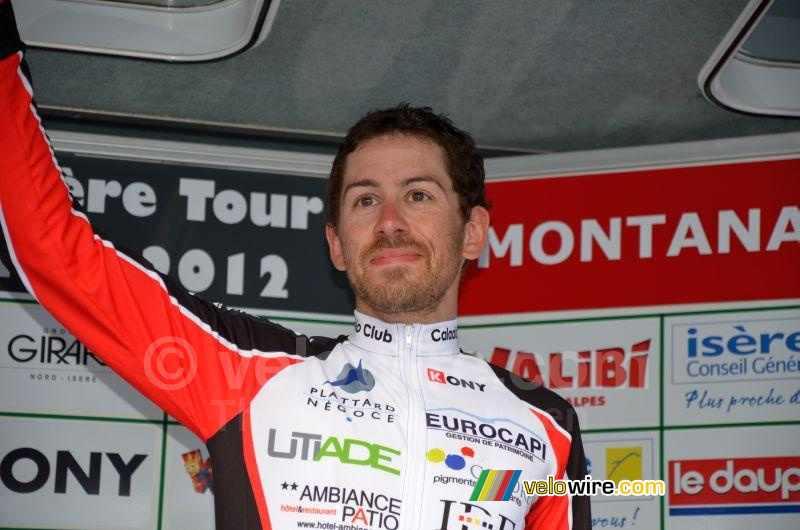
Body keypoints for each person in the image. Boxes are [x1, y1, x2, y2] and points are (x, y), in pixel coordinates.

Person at [0, 1, 589, 528]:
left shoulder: (549, 426)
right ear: (336, 243)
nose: (389, 221)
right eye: (364, 200)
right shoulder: (242, 371)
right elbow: (51, 249)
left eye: (418, 195)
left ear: (473, 232)